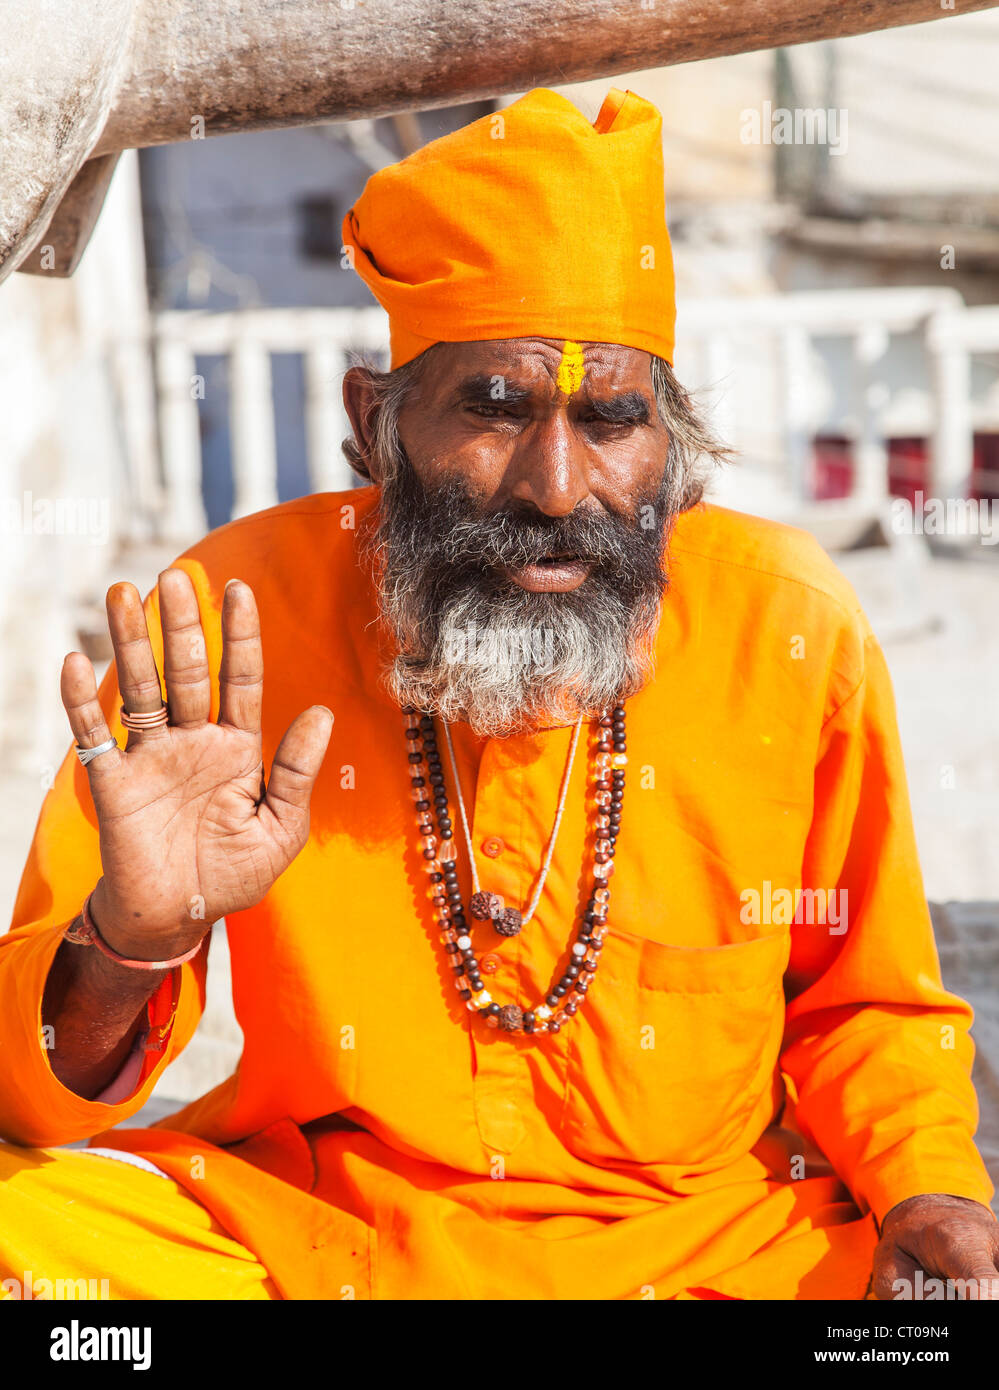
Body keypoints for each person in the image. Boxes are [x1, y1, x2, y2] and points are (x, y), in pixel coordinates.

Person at [0, 86, 995, 1302]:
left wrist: (932, 1193)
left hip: (714, 1245)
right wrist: (130, 941)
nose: (559, 485)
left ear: (670, 448)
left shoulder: (788, 624)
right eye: (496, 405)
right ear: (376, 422)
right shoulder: (231, 613)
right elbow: (30, 1094)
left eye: (613, 417)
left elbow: (871, 1006)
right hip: (328, 1235)